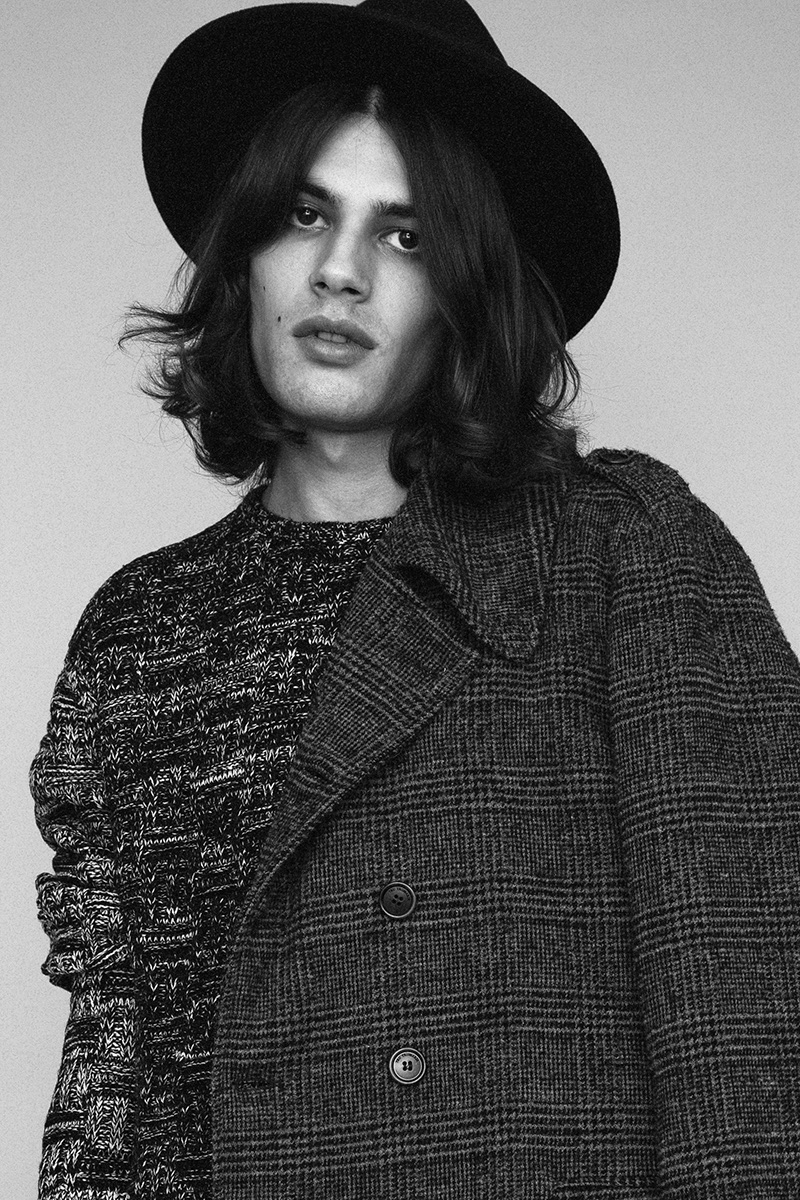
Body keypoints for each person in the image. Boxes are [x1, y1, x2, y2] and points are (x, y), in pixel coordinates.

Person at [30, 0, 800, 1197]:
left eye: (404, 235)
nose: (338, 271)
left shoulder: (621, 554)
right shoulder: (141, 630)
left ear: (465, 290)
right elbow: (115, 1093)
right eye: (304, 215)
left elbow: (749, 1044)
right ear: (243, 253)